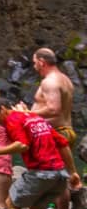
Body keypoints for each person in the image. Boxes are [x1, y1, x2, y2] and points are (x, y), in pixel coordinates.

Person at [0, 95, 72, 209]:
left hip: (41, 172)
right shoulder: (35, 118)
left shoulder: (12, 120)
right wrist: (73, 172)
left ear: (2, 109)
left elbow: (23, 145)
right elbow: (63, 143)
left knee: (11, 203)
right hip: (60, 175)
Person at [31, 48, 81, 183]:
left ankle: (50, 204)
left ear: (42, 62)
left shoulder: (50, 81)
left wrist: (27, 113)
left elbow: (54, 110)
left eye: (35, 63)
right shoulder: (65, 79)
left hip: (56, 134)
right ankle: (59, 203)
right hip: (65, 132)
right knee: (60, 179)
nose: (34, 67)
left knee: (50, 179)